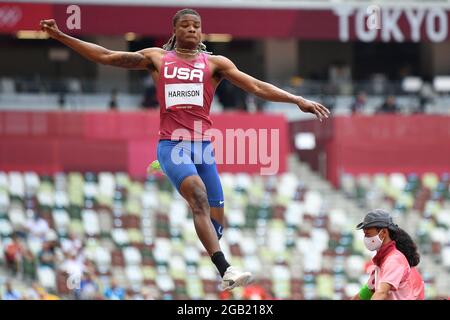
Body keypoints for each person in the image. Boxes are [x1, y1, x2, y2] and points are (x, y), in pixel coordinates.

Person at [40, 8, 330, 291]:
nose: (192, 29)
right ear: (175, 31)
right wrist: (61, 35)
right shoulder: (157, 58)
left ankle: (210, 241)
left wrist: (296, 99)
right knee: (199, 199)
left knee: (217, 221)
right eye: (186, 25)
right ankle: (226, 269)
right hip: (173, 145)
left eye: (196, 25)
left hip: (203, 150)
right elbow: (106, 56)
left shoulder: (215, 64)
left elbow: (254, 86)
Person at [352, 209, 425, 300]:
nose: (366, 238)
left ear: (383, 233)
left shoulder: (394, 260)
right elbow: (364, 294)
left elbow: (381, 293)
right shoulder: (381, 263)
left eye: (368, 234)